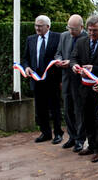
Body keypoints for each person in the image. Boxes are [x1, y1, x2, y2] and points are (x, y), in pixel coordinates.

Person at [70, 15, 98, 163]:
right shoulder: (81, 42)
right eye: (89, 30)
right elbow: (73, 58)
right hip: (84, 88)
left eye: (95, 30)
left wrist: (94, 69)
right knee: (87, 118)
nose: (92, 33)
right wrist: (74, 66)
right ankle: (91, 144)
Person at [23, 15, 63, 144]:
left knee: (55, 108)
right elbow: (26, 58)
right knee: (40, 108)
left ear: (48, 26)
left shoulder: (58, 37)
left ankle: (58, 133)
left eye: (40, 26)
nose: (37, 28)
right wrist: (27, 67)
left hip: (52, 80)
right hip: (36, 80)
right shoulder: (31, 39)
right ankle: (45, 133)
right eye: (36, 25)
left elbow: (61, 55)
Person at [54, 14, 87, 152]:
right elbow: (58, 53)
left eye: (74, 29)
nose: (71, 31)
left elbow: (88, 59)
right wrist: (59, 60)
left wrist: (73, 63)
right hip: (66, 78)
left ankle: (80, 139)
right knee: (67, 109)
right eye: (69, 28)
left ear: (81, 27)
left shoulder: (87, 37)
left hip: (79, 79)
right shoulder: (64, 36)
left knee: (79, 110)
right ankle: (72, 137)